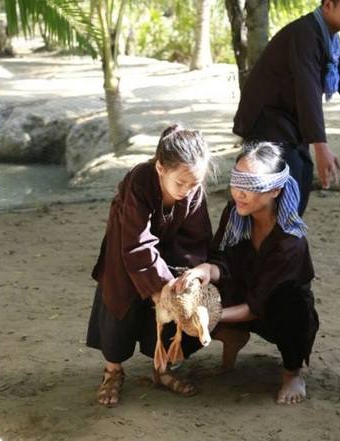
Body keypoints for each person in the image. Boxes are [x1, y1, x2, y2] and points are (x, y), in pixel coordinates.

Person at [178, 141, 319, 405]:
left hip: (275, 314)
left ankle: (293, 373)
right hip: (239, 296)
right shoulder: (235, 213)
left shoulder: (291, 240)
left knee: (290, 301)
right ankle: (233, 335)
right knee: (185, 297)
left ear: (275, 190)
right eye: (236, 182)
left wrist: (211, 316)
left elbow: (261, 303)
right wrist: (205, 270)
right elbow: (223, 263)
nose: (239, 193)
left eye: (250, 185)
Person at [233, 0, 340, 216]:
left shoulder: (328, 39)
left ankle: (284, 243)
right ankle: (270, 244)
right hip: (267, 121)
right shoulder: (304, 34)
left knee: (301, 176)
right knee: (285, 185)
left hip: (289, 124)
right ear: (328, 5)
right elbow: (308, 88)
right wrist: (321, 146)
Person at [86, 124, 213, 405]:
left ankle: (162, 369)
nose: (187, 190)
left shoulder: (193, 190)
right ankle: (112, 372)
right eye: (180, 183)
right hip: (127, 249)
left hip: (169, 255)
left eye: (194, 183)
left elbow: (196, 239)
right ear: (160, 168)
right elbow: (137, 243)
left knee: (174, 304)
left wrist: (181, 280)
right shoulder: (139, 180)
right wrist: (160, 285)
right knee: (120, 306)